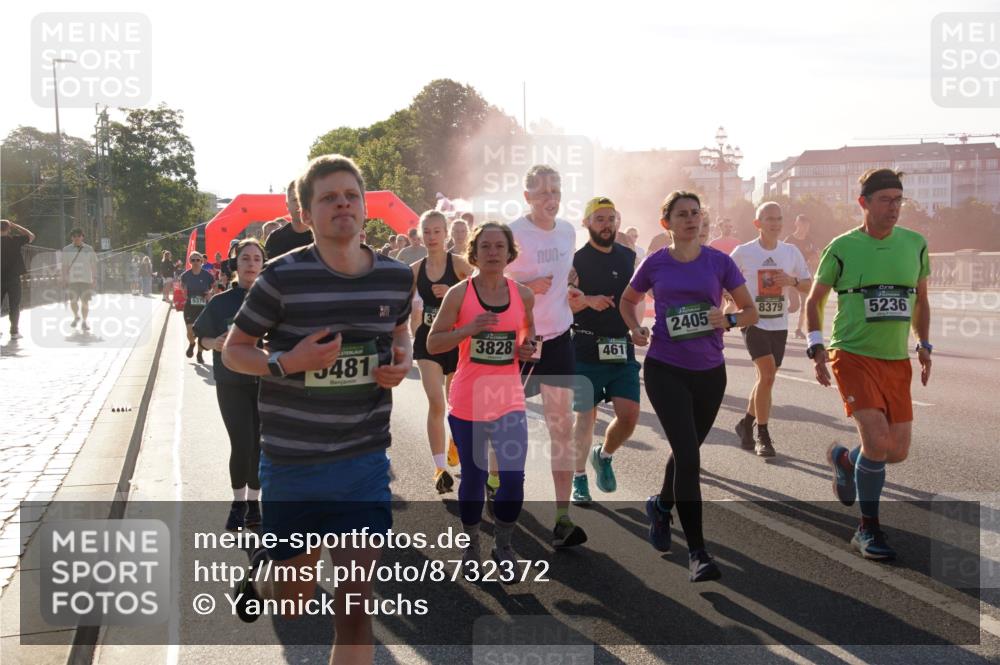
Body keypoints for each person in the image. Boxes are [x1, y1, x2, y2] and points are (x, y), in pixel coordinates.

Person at [223, 155, 413, 663]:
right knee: (294, 602)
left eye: (351, 195)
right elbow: (234, 350)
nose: (342, 204)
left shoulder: (396, 278)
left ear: (366, 207)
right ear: (306, 214)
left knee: (355, 608)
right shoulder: (282, 278)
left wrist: (403, 356)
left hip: (363, 460)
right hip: (293, 463)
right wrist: (288, 361)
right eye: (328, 197)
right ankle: (267, 576)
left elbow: (400, 328)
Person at [620, 191, 757, 582]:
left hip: (711, 372)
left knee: (687, 450)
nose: (691, 220)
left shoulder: (719, 262)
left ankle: (661, 505)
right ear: (667, 224)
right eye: (682, 215)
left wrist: (726, 320)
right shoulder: (655, 263)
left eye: (696, 213)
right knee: (689, 457)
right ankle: (698, 552)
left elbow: (749, 310)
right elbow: (628, 300)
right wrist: (634, 328)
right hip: (666, 368)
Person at [807, 169, 931, 561]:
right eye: (885, 200)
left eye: (898, 200)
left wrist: (923, 343)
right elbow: (815, 301)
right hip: (852, 353)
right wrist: (816, 347)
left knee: (896, 452)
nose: (893, 207)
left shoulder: (915, 244)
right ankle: (867, 529)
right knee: (877, 442)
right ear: (863, 203)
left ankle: (846, 459)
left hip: (895, 358)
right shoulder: (842, 247)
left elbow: (921, 300)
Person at [427, 222, 536, 574]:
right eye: (485, 246)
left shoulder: (523, 295)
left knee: (514, 479)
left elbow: (526, 342)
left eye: (498, 247)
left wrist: (527, 348)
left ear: (509, 253)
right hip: (469, 401)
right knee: (473, 478)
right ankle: (471, 544)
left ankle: (504, 547)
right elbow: (433, 343)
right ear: (474, 253)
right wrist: (468, 329)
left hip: (509, 401)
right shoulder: (460, 294)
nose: (492, 252)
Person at [504, 164, 588, 549]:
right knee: (505, 424)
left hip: (557, 340)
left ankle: (562, 516)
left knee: (561, 427)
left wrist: (570, 286)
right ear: (527, 198)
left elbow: (566, 272)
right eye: (542, 193)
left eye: (555, 191)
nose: (550, 199)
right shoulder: (512, 234)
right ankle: (494, 480)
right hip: (518, 343)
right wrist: (524, 286)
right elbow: (484, 283)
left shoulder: (569, 230)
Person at [569, 198, 641, 504]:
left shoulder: (628, 256)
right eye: (599, 219)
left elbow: (633, 300)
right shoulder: (576, 260)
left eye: (611, 218)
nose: (606, 224)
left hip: (620, 347)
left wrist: (637, 328)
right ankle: (579, 479)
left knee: (629, 417)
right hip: (585, 347)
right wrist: (588, 300)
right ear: (586, 223)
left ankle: (604, 455)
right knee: (585, 418)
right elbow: (567, 302)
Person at [193, 239, 266, 531]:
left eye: (256, 259)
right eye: (245, 258)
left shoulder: (273, 301)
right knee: (242, 442)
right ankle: (238, 503)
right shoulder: (220, 301)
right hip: (231, 381)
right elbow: (203, 337)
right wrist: (215, 343)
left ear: (263, 265)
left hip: (265, 381)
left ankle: (254, 504)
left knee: (260, 445)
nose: (250, 263)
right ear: (235, 265)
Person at [730, 202, 812, 457]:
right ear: (758, 224)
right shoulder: (743, 252)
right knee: (767, 376)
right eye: (769, 219)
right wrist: (727, 302)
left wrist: (793, 282)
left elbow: (809, 284)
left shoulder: (790, 252)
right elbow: (722, 279)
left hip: (779, 324)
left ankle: (745, 424)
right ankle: (761, 434)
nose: (775, 224)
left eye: (779, 219)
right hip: (753, 321)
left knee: (765, 379)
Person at [410, 210, 473, 493]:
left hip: (456, 340)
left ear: (445, 233)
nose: (432, 237)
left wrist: (453, 291)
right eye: (426, 231)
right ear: (420, 234)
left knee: (456, 404)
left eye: (437, 231)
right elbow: (401, 306)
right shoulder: (415, 270)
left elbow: (482, 294)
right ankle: (439, 470)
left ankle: (454, 443)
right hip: (427, 341)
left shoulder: (460, 265)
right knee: (436, 401)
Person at [784, 214, 819, 339]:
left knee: (805, 304)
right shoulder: (789, 240)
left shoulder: (810, 240)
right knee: (794, 306)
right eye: (802, 224)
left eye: (807, 225)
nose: (805, 227)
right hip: (790, 278)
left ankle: (798, 329)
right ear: (796, 224)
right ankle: (778, 316)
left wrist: (814, 259)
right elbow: (782, 257)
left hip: (804, 277)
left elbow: (815, 257)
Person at [1, 219, 35, 340]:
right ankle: (14, 332)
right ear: (8, 228)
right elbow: (31, 236)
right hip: (13, 279)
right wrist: (15, 225)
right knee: (14, 305)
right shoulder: (14, 240)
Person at [179, 252, 215, 363]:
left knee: (201, 332)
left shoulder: (207, 276)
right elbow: (182, 287)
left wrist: (210, 294)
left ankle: (199, 354)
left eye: (197, 260)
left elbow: (213, 288)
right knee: (190, 331)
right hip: (190, 305)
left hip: (203, 307)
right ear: (190, 262)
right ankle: (192, 343)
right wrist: (183, 292)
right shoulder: (185, 275)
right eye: (193, 260)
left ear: (201, 261)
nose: (195, 262)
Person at [61, 228, 99, 332]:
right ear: (71, 237)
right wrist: (64, 278)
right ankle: (76, 316)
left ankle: (84, 321)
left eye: (79, 236)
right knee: (73, 301)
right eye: (74, 236)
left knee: (85, 302)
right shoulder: (66, 249)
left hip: (86, 280)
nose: (77, 238)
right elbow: (64, 266)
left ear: (82, 237)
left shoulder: (89, 249)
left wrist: (94, 278)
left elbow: (93, 265)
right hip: (72, 280)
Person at [264, 180, 313, 258]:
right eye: (295, 200)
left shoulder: (323, 237)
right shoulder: (275, 239)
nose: (299, 204)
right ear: (287, 205)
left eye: (302, 199)